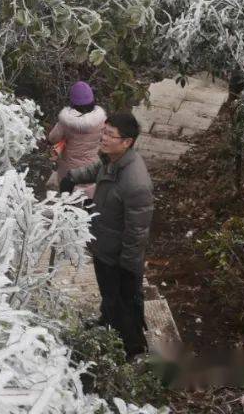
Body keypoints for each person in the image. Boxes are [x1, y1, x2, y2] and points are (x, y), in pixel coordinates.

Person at [60, 111, 154, 358]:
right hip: (104, 243)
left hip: (119, 255)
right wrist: (73, 177)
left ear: (127, 142)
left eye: (110, 135)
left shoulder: (136, 182)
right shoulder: (112, 158)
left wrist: (128, 266)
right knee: (109, 295)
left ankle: (132, 348)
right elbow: (97, 169)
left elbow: (137, 232)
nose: (103, 138)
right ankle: (107, 323)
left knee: (125, 301)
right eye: (104, 131)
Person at [46, 81, 107, 201]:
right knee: (87, 196)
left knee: (67, 197)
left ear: (72, 101)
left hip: (68, 168)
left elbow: (53, 138)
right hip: (91, 167)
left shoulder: (66, 122)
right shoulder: (102, 120)